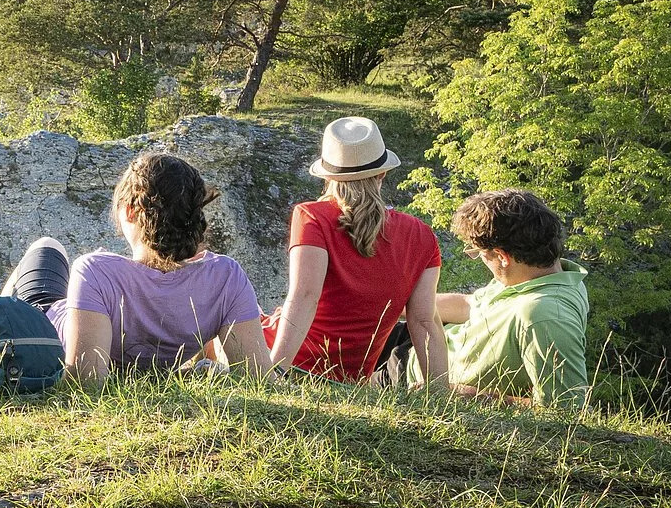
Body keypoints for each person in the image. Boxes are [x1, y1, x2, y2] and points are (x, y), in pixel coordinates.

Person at [32, 152, 274, 382]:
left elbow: (86, 380)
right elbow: (259, 377)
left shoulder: (96, 270)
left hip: (40, 316)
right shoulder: (225, 276)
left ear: (130, 211)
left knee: (47, 245)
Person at [263, 117, 450, 385]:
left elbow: (305, 296)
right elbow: (424, 321)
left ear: (327, 177)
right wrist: (439, 393)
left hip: (291, 363)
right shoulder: (421, 235)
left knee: (222, 304)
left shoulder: (311, 217)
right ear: (383, 173)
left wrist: (275, 373)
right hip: (348, 379)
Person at [429, 189, 592, 408]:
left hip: (416, 375)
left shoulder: (544, 315)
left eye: (478, 253)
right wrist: (398, 304)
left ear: (502, 257)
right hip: (420, 341)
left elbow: (564, 407)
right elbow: (470, 305)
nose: (480, 259)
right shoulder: (535, 275)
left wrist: (470, 395)